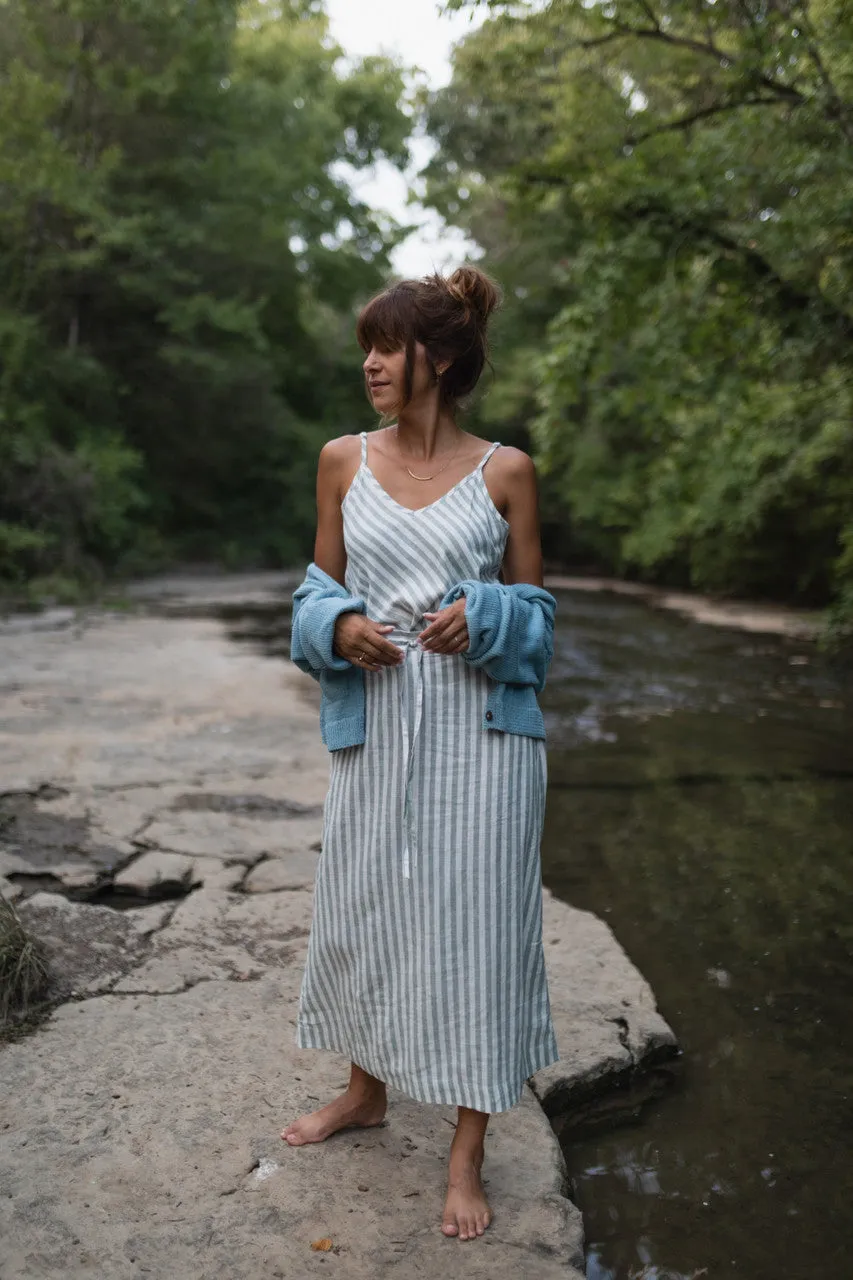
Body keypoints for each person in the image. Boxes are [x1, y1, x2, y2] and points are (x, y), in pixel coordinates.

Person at [282, 266, 559, 1242]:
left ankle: (466, 1148)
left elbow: (535, 620)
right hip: (379, 732)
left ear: (434, 357)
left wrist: (481, 616)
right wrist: (342, 623)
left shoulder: (506, 472)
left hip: (482, 741)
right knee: (367, 901)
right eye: (366, 344)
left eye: (386, 345)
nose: (369, 362)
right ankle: (365, 1091)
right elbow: (312, 595)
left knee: (476, 925)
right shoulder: (341, 461)